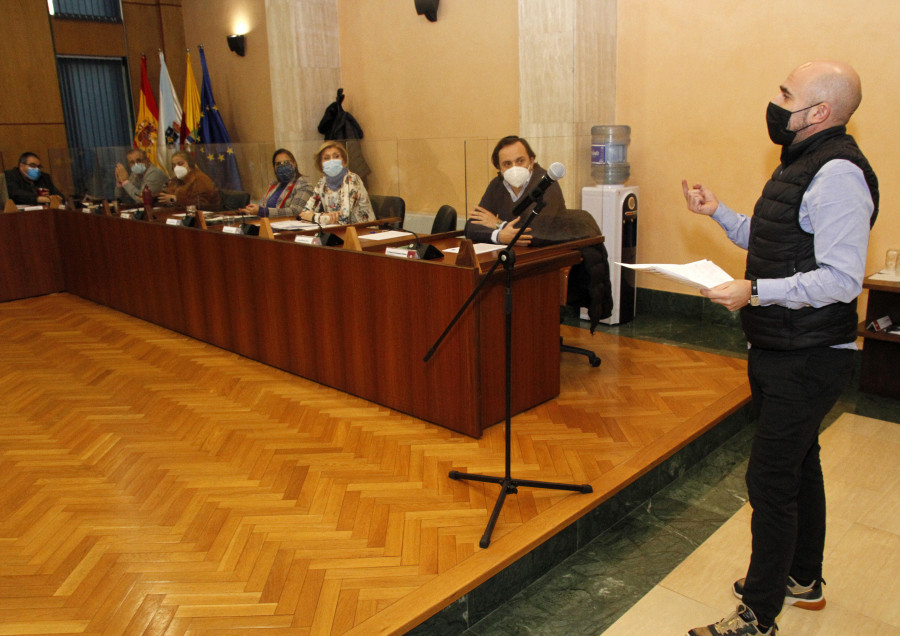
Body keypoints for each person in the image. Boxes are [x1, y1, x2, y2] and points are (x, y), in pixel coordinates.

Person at [684, 60, 878, 636]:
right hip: (781, 344)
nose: (775, 101)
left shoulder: (838, 173)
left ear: (818, 112)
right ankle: (803, 577)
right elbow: (777, 240)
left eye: (786, 94)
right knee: (799, 464)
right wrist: (718, 214)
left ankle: (758, 616)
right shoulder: (799, 163)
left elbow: (843, 279)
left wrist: (756, 291)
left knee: (769, 479)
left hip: (811, 354)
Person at [464, 135, 566, 246]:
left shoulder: (546, 183)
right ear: (499, 167)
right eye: (507, 164)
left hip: (549, 253)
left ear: (531, 161)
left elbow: (534, 233)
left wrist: (499, 224)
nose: (514, 167)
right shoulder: (497, 184)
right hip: (511, 252)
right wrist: (499, 236)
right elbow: (471, 227)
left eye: (520, 161)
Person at [298, 141, 373, 225]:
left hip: (362, 232)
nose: (332, 161)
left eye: (336, 156)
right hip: (335, 231)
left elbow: (344, 218)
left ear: (343, 161)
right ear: (321, 164)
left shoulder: (351, 179)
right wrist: (325, 216)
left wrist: (313, 217)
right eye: (326, 158)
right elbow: (304, 213)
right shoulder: (322, 182)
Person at [243, 148, 312, 218]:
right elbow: (262, 206)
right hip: (267, 224)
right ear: (274, 167)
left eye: (286, 162)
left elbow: (296, 211)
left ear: (294, 164)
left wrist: (262, 211)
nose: (282, 166)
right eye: (278, 164)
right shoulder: (274, 185)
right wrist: (252, 210)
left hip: (287, 226)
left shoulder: (303, 184)